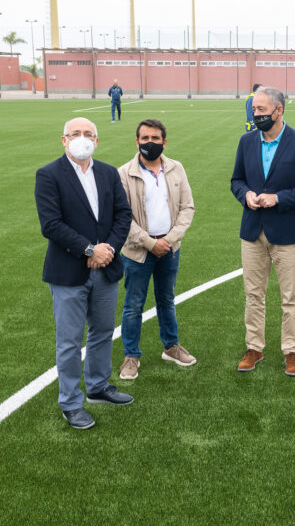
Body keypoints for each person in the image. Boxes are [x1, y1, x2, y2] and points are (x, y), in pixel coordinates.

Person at [34, 117, 134, 429]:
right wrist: (89, 250)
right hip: (68, 271)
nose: (82, 138)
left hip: (105, 268)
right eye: (75, 133)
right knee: (69, 340)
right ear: (64, 140)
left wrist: (108, 250)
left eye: (88, 134)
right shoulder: (49, 175)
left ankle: (98, 387)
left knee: (103, 330)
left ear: (97, 140)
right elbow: (51, 224)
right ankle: (70, 402)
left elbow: (123, 214)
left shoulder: (107, 172)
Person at [230, 86, 295, 376]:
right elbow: (236, 180)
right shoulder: (246, 142)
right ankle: (254, 347)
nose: (254, 114)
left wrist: (278, 198)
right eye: (253, 109)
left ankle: (291, 351)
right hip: (253, 231)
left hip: (287, 232)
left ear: (278, 110)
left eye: (260, 109)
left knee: (290, 297)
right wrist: (245, 194)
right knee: (253, 295)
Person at [117, 118, 196, 380]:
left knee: (166, 300)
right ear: (137, 141)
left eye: (155, 138)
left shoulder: (177, 168)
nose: (150, 143)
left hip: (169, 249)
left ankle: (171, 347)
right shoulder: (124, 173)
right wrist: (150, 243)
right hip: (138, 251)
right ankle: (131, 355)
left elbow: (187, 208)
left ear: (164, 141)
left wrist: (169, 240)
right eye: (145, 138)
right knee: (133, 305)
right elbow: (122, 218)